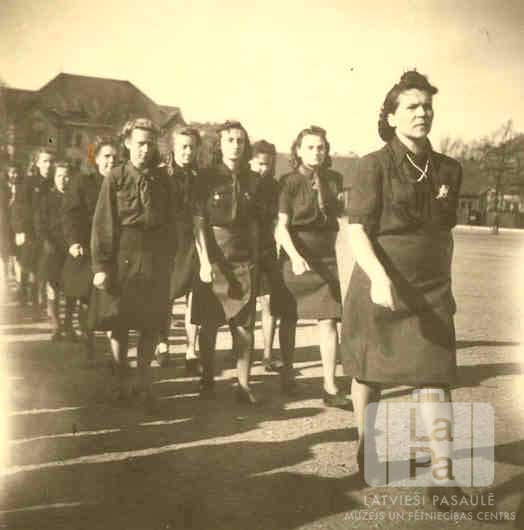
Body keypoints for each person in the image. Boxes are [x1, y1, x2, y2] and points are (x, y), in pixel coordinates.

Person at [340, 71, 462, 482]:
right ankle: (367, 449)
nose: (422, 113)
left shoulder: (449, 169)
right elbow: (357, 230)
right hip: (381, 282)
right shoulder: (372, 166)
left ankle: (443, 476)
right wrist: (378, 277)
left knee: (434, 376)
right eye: (412, 106)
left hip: (430, 290)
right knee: (369, 373)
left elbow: (443, 234)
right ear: (391, 117)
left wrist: (445, 287)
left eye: (427, 106)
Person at [90, 118, 174, 411]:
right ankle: (121, 381)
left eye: (150, 143)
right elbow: (103, 223)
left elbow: (171, 222)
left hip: (154, 256)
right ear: (127, 143)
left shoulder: (163, 179)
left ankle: (144, 382)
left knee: (151, 322)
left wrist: (170, 259)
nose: (145, 149)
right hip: (123, 255)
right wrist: (101, 266)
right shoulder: (116, 177)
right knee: (120, 321)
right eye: (140, 143)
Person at [275, 126, 350, 408]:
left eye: (321, 147)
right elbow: (281, 227)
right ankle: (287, 373)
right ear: (298, 151)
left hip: (326, 259)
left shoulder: (335, 180)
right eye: (310, 147)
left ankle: (330, 386)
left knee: (329, 320)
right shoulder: (289, 182)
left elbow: (341, 220)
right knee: (289, 318)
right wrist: (294, 256)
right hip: (296, 256)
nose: (316, 152)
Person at [191, 120, 261, 404]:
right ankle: (207, 379)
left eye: (240, 141)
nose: (236, 146)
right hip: (214, 256)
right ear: (219, 145)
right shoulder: (205, 178)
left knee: (244, 326)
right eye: (230, 140)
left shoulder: (253, 180)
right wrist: (204, 261)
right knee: (209, 324)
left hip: (243, 258)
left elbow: (255, 223)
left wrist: (255, 258)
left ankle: (243, 385)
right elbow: (198, 221)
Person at [62, 136, 118, 362]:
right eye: (106, 156)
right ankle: (89, 347)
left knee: (113, 301)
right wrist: (74, 241)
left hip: (113, 251)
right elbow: (71, 214)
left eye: (115, 157)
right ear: (95, 158)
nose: (111, 161)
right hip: (86, 249)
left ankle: (116, 358)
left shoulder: (121, 180)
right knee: (87, 300)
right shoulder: (82, 182)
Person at [156, 127, 201, 373]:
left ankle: (191, 349)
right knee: (166, 296)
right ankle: (162, 343)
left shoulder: (198, 176)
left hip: (192, 241)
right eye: (183, 146)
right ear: (173, 148)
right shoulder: (161, 175)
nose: (187, 151)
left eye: (192, 147)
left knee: (194, 296)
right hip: (167, 243)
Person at [249, 140, 293, 376]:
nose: (264, 169)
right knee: (244, 306)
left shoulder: (276, 188)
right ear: (250, 161)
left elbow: (279, 221)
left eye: (268, 164)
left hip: (266, 251)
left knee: (269, 303)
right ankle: (242, 352)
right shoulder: (242, 183)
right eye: (260, 164)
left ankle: (267, 353)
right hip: (244, 251)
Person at [34, 161, 72, 341]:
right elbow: (40, 225)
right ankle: (56, 327)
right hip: (52, 249)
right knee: (53, 288)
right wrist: (47, 243)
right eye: (59, 176)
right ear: (54, 178)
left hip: (71, 249)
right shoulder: (46, 199)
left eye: (66, 176)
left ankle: (69, 325)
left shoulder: (75, 198)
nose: (63, 180)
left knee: (72, 290)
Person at [20, 148, 55, 320]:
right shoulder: (29, 182)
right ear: (37, 163)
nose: (48, 165)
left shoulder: (55, 181)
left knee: (49, 272)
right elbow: (22, 208)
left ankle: (49, 309)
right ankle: (35, 307)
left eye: (51, 161)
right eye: (44, 161)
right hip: (33, 234)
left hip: (50, 233)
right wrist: (22, 231)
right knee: (34, 273)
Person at [5, 163, 29, 303]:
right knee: (7, 258)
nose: (14, 175)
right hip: (5, 227)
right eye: (12, 172)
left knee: (19, 259)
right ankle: (7, 289)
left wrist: (20, 229)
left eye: (16, 172)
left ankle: (21, 289)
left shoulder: (22, 187)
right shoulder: (4, 188)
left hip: (17, 227)